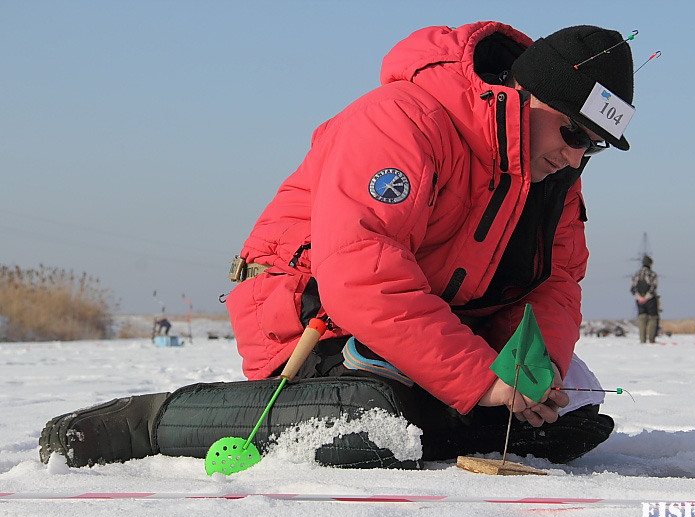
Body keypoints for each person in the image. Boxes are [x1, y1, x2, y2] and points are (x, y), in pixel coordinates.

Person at [39, 22, 635, 470]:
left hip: (425, 326)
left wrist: (535, 370)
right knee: (388, 416)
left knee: (571, 401)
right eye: (572, 131)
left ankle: (455, 416)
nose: (577, 154)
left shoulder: (556, 180)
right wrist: (481, 378)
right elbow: (361, 274)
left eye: (596, 145)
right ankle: (146, 425)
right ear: (525, 94)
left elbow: (555, 285)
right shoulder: (403, 121)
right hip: (313, 321)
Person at [631, 255, 659, 343]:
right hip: (650, 299)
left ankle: (642, 340)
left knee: (642, 318)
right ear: (650, 264)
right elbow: (653, 287)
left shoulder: (636, 274)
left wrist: (639, 297)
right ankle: (651, 340)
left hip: (639, 300)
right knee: (652, 318)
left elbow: (633, 288)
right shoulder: (652, 274)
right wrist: (646, 297)